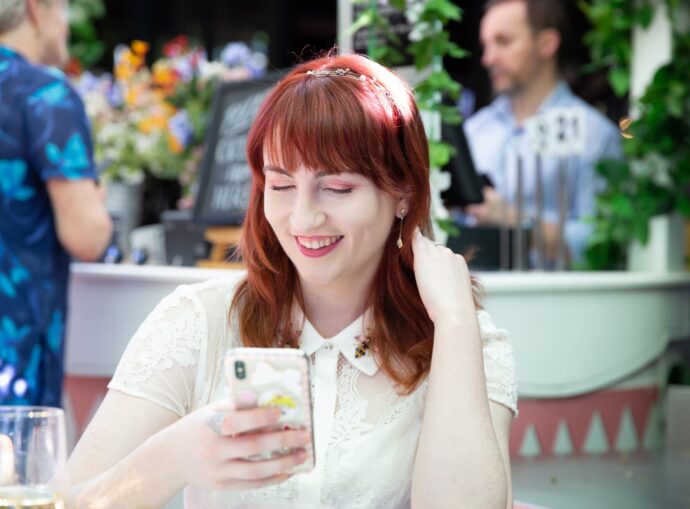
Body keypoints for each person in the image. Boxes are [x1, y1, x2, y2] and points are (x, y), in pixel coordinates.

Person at [64, 54, 519, 508]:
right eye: (280, 186)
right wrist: (175, 457)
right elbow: (65, 503)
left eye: (338, 188)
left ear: (403, 194)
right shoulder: (200, 323)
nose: (303, 217)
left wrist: (456, 324)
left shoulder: (461, 338)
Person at [0, 0, 112, 406]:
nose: (65, 27)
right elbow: (87, 236)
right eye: (63, 11)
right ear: (36, 9)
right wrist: (96, 203)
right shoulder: (44, 95)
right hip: (13, 356)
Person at [464, 0, 623, 265]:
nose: (488, 58)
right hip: (472, 298)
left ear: (546, 43)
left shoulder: (594, 134)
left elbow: (601, 245)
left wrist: (515, 221)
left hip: (555, 301)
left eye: (503, 42)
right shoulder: (474, 131)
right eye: (485, 45)